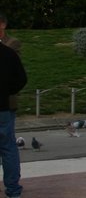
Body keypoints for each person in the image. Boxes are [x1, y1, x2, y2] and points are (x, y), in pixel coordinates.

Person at [0, 27, 26, 198]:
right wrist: (8, 91)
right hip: (3, 107)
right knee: (8, 147)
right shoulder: (8, 53)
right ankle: (13, 189)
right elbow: (21, 79)